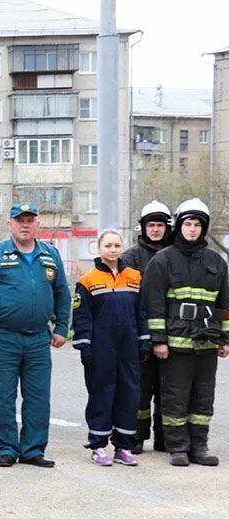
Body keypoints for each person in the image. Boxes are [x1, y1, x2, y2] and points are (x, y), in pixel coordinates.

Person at [0, 202, 70, 468]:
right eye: (19, 220)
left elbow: (62, 294)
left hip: (38, 338)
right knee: (2, 396)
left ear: (37, 224)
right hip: (4, 337)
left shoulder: (50, 255)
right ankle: (6, 449)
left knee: (38, 396)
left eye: (30, 220)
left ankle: (33, 449)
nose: (25, 224)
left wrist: (61, 328)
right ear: (10, 224)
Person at [142, 198, 229, 466]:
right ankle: (177, 447)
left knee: (203, 398)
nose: (192, 229)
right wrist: (159, 340)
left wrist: (225, 339)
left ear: (204, 228)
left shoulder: (217, 262)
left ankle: (199, 447)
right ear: (179, 226)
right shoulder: (162, 260)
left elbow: (224, 305)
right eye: (188, 224)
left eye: (197, 225)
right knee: (175, 397)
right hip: (175, 343)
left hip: (207, 343)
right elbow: (153, 304)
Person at [71, 230, 149, 466]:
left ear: (122, 247)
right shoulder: (88, 280)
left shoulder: (135, 277)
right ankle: (98, 446)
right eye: (108, 245)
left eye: (117, 245)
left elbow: (142, 312)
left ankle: (124, 447)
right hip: (101, 346)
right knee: (102, 393)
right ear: (99, 248)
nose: (113, 249)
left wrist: (144, 341)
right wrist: (85, 345)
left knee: (129, 393)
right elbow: (82, 316)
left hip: (128, 346)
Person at [122, 201, 173, 453]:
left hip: (171, 335)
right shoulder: (130, 258)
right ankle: (137, 437)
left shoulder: (176, 254)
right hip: (139, 334)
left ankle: (164, 439)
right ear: (142, 228)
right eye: (151, 225)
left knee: (167, 390)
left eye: (160, 225)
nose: (155, 230)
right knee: (140, 390)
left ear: (168, 227)